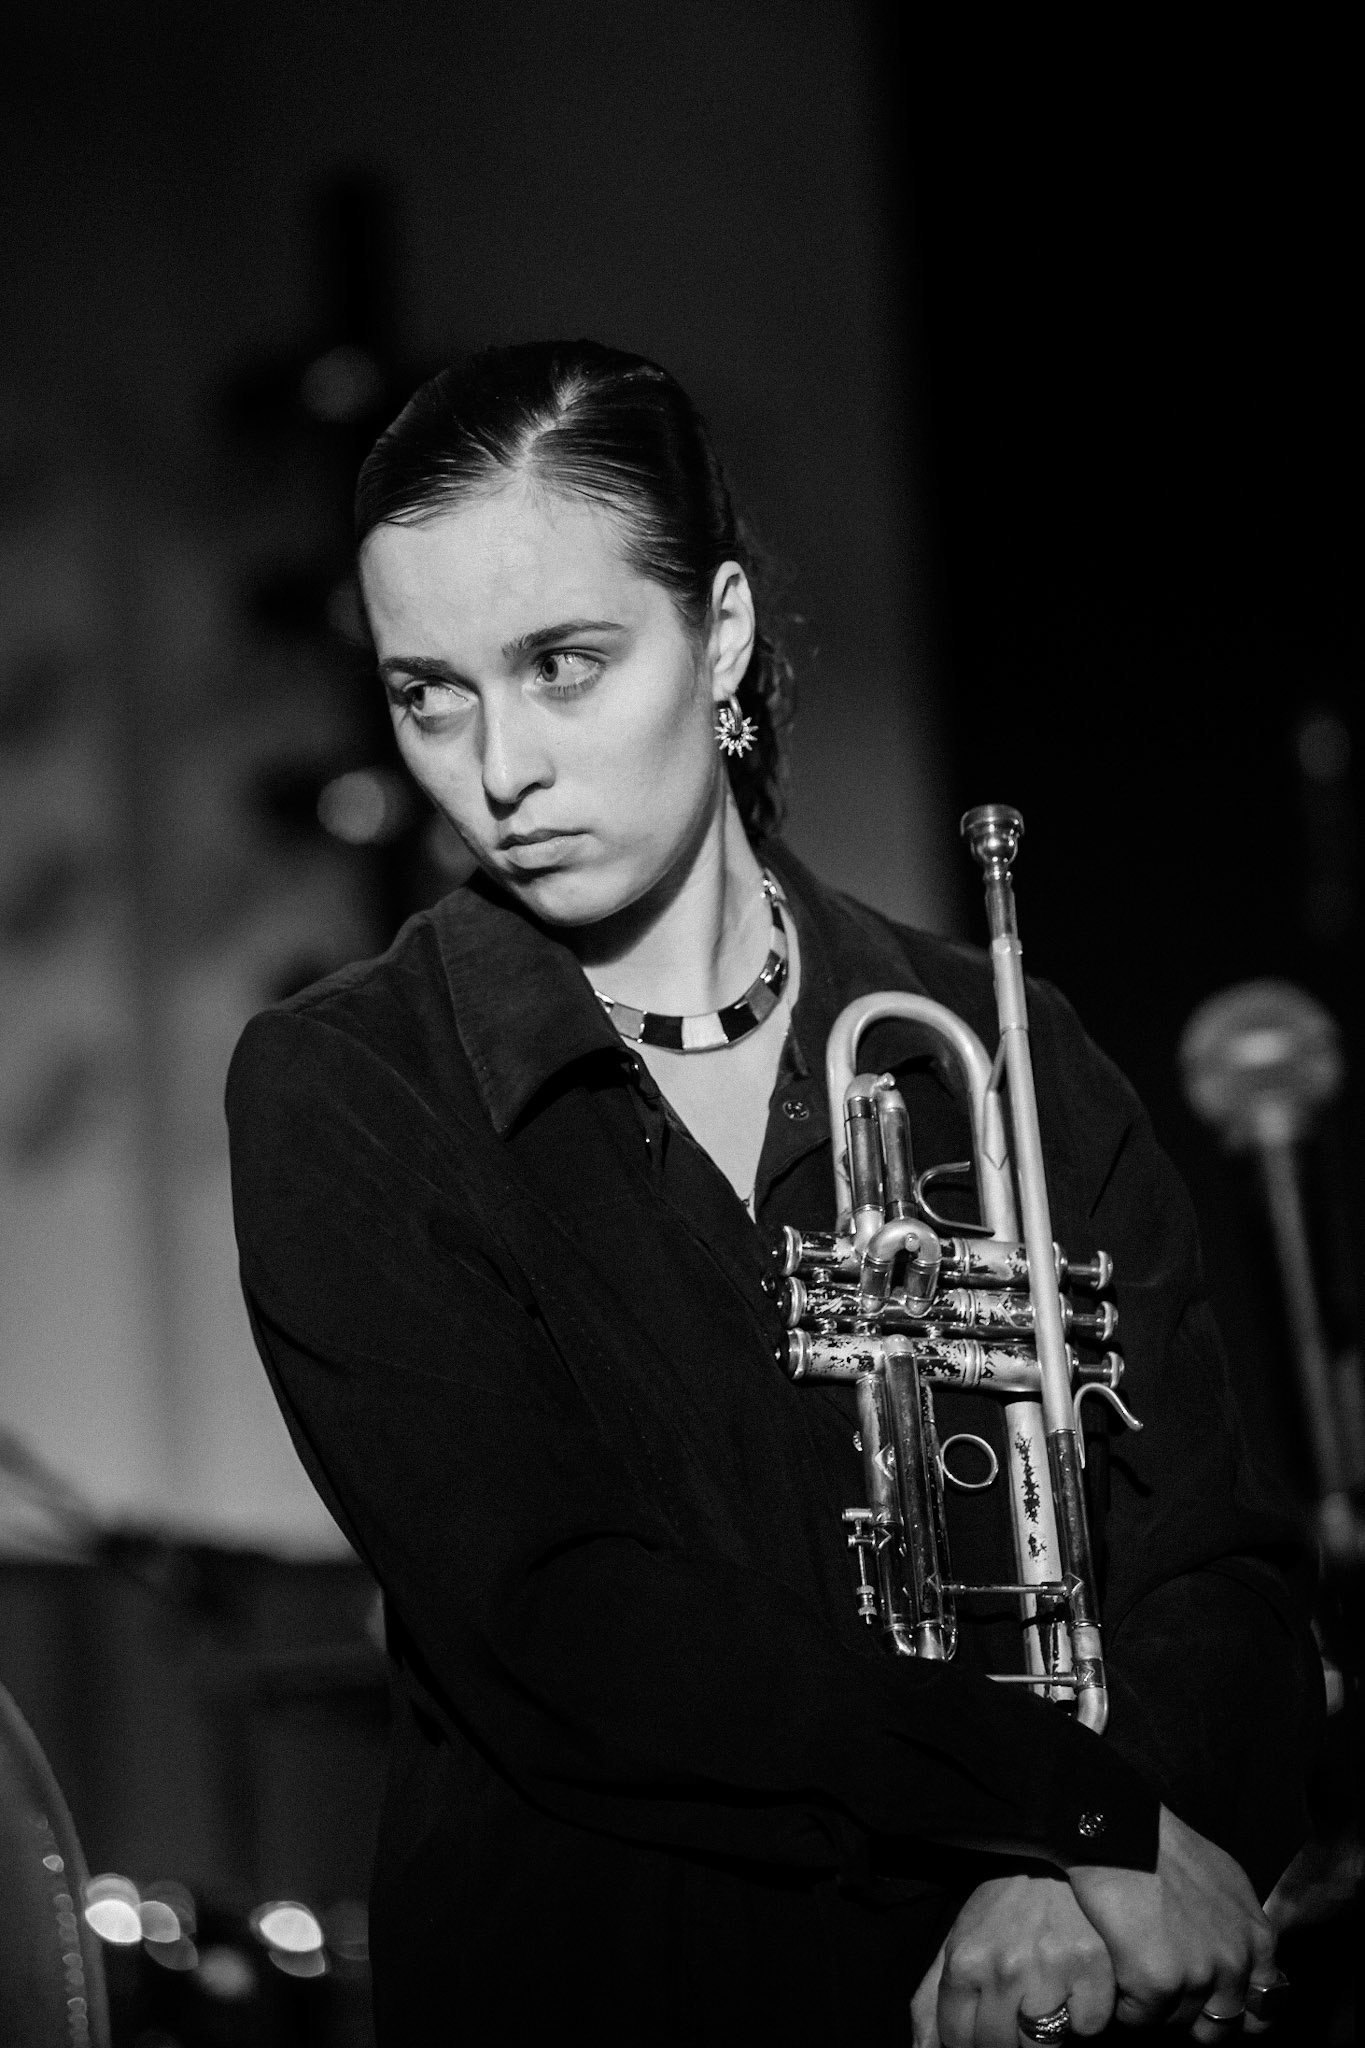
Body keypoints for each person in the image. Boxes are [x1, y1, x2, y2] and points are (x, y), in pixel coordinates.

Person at [226, 341, 1320, 2047]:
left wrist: (1087, 1874)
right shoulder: (352, 1088)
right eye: (429, 693)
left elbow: (1220, 1568)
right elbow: (566, 1629)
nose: (495, 766)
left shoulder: (998, 1041)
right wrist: (1074, 1814)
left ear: (720, 632)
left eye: (563, 665)